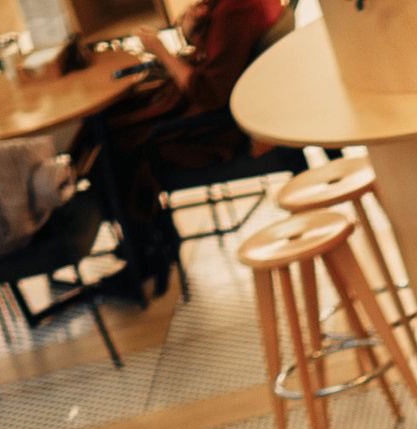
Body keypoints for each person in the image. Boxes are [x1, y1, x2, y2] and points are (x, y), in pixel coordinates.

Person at [99, 0, 287, 302]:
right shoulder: (230, 7)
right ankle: (147, 241)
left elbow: (209, 93)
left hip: (220, 128)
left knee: (116, 144)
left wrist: (161, 51)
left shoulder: (237, 9)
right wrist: (194, 31)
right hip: (223, 108)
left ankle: (146, 252)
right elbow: (221, 60)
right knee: (116, 124)